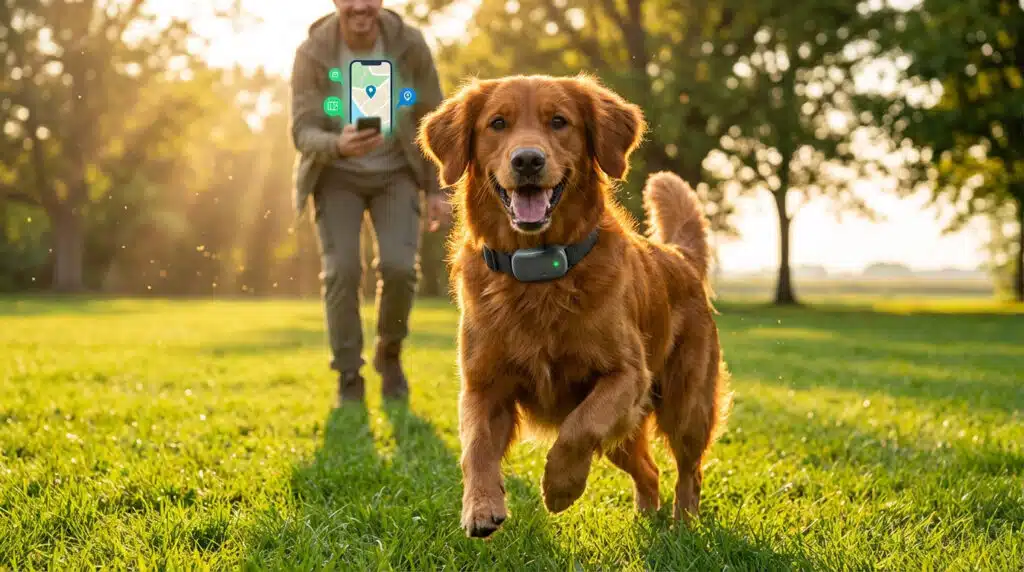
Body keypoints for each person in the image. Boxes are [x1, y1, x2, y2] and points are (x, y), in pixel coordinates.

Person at [289, 0, 450, 405]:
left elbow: (436, 117)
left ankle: (389, 353)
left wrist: (437, 188)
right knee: (341, 270)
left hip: (397, 172)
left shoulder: (409, 43)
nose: (360, 5)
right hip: (335, 174)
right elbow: (301, 129)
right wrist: (336, 144)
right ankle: (348, 373)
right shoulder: (312, 52)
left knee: (399, 267)